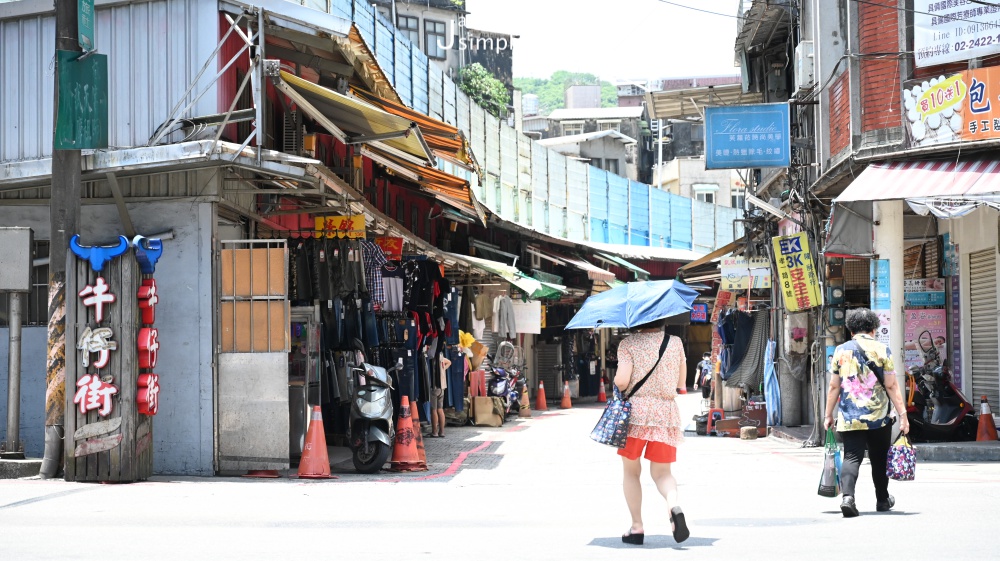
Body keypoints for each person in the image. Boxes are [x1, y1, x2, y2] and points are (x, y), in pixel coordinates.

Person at [824, 308, 910, 517]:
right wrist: (903, 415)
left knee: (852, 456)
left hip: (850, 416)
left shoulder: (840, 351)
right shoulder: (882, 350)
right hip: (878, 417)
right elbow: (891, 385)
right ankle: (882, 500)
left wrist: (828, 414)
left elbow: (834, 386)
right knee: (879, 458)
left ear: (851, 330)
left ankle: (848, 498)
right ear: (873, 328)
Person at [613, 318, 689, 545]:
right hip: (665, 414)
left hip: (635, 414)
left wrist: (618, 381)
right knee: (663, 473)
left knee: (631, 472)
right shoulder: (675, 343)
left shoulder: (628, 344)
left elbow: (622, 381)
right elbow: (681, 382)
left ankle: (636, 527)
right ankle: (673, 505)